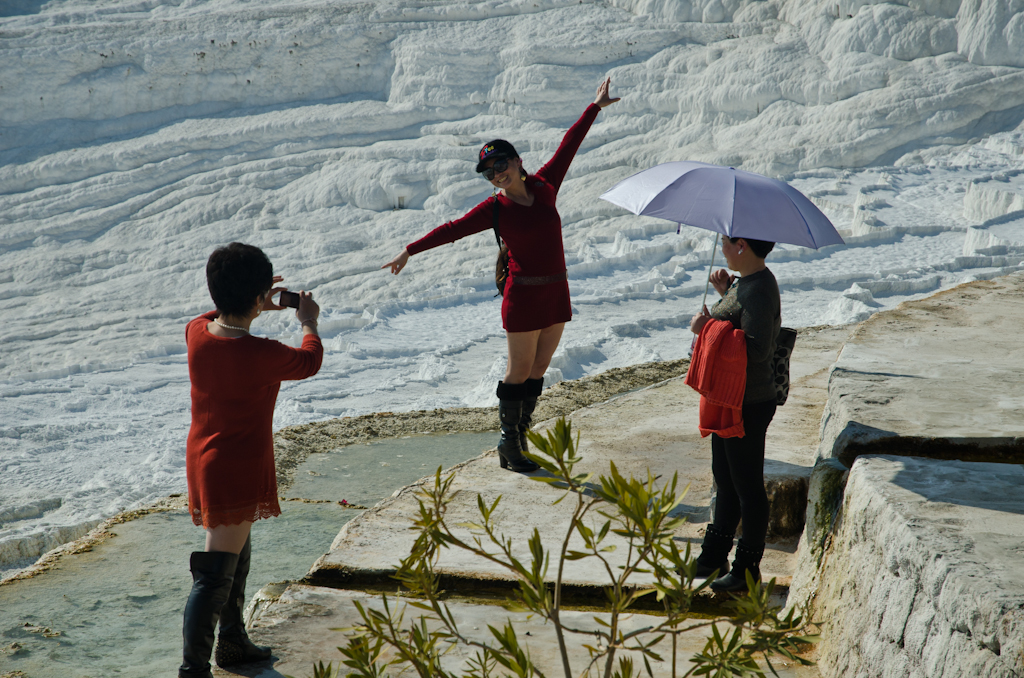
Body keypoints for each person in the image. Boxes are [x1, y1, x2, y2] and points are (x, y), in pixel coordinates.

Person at [383, 78, 619, 473]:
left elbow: (569, 145)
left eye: (501, 165)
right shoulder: (493, 210)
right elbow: (452, 229)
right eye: (489, 172)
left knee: (540, 370)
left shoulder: (545, 186)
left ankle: (520, 438)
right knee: (518, 371)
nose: (496, 174)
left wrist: (594, 107)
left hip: (556, 292)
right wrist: (410, 250)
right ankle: (508, 444)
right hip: (523, 296)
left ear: (517, 161)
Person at [179, 242, 323, 677]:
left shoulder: (196, 333)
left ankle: (234, 643)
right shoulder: (262, 354)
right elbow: (309, 360)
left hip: (205, 458)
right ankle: (193, 671)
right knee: (214, 574)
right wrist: (308, 321)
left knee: (235, 554)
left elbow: (213, 317)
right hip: (235, 466)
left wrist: (255, 303)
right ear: (260, 297)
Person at [688, 235, 780, 593]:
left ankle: (746, 569)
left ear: (742, 245)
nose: (721, 246)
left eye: (726, 241)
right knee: (724, 478)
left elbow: (756, 348)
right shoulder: (745, 284)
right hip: (730, 397)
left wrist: (706, 328)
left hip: (749, 402)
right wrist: (727, 292)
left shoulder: (758, 288)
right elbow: (740, 323)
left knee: (747, 486)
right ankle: (713, 556)